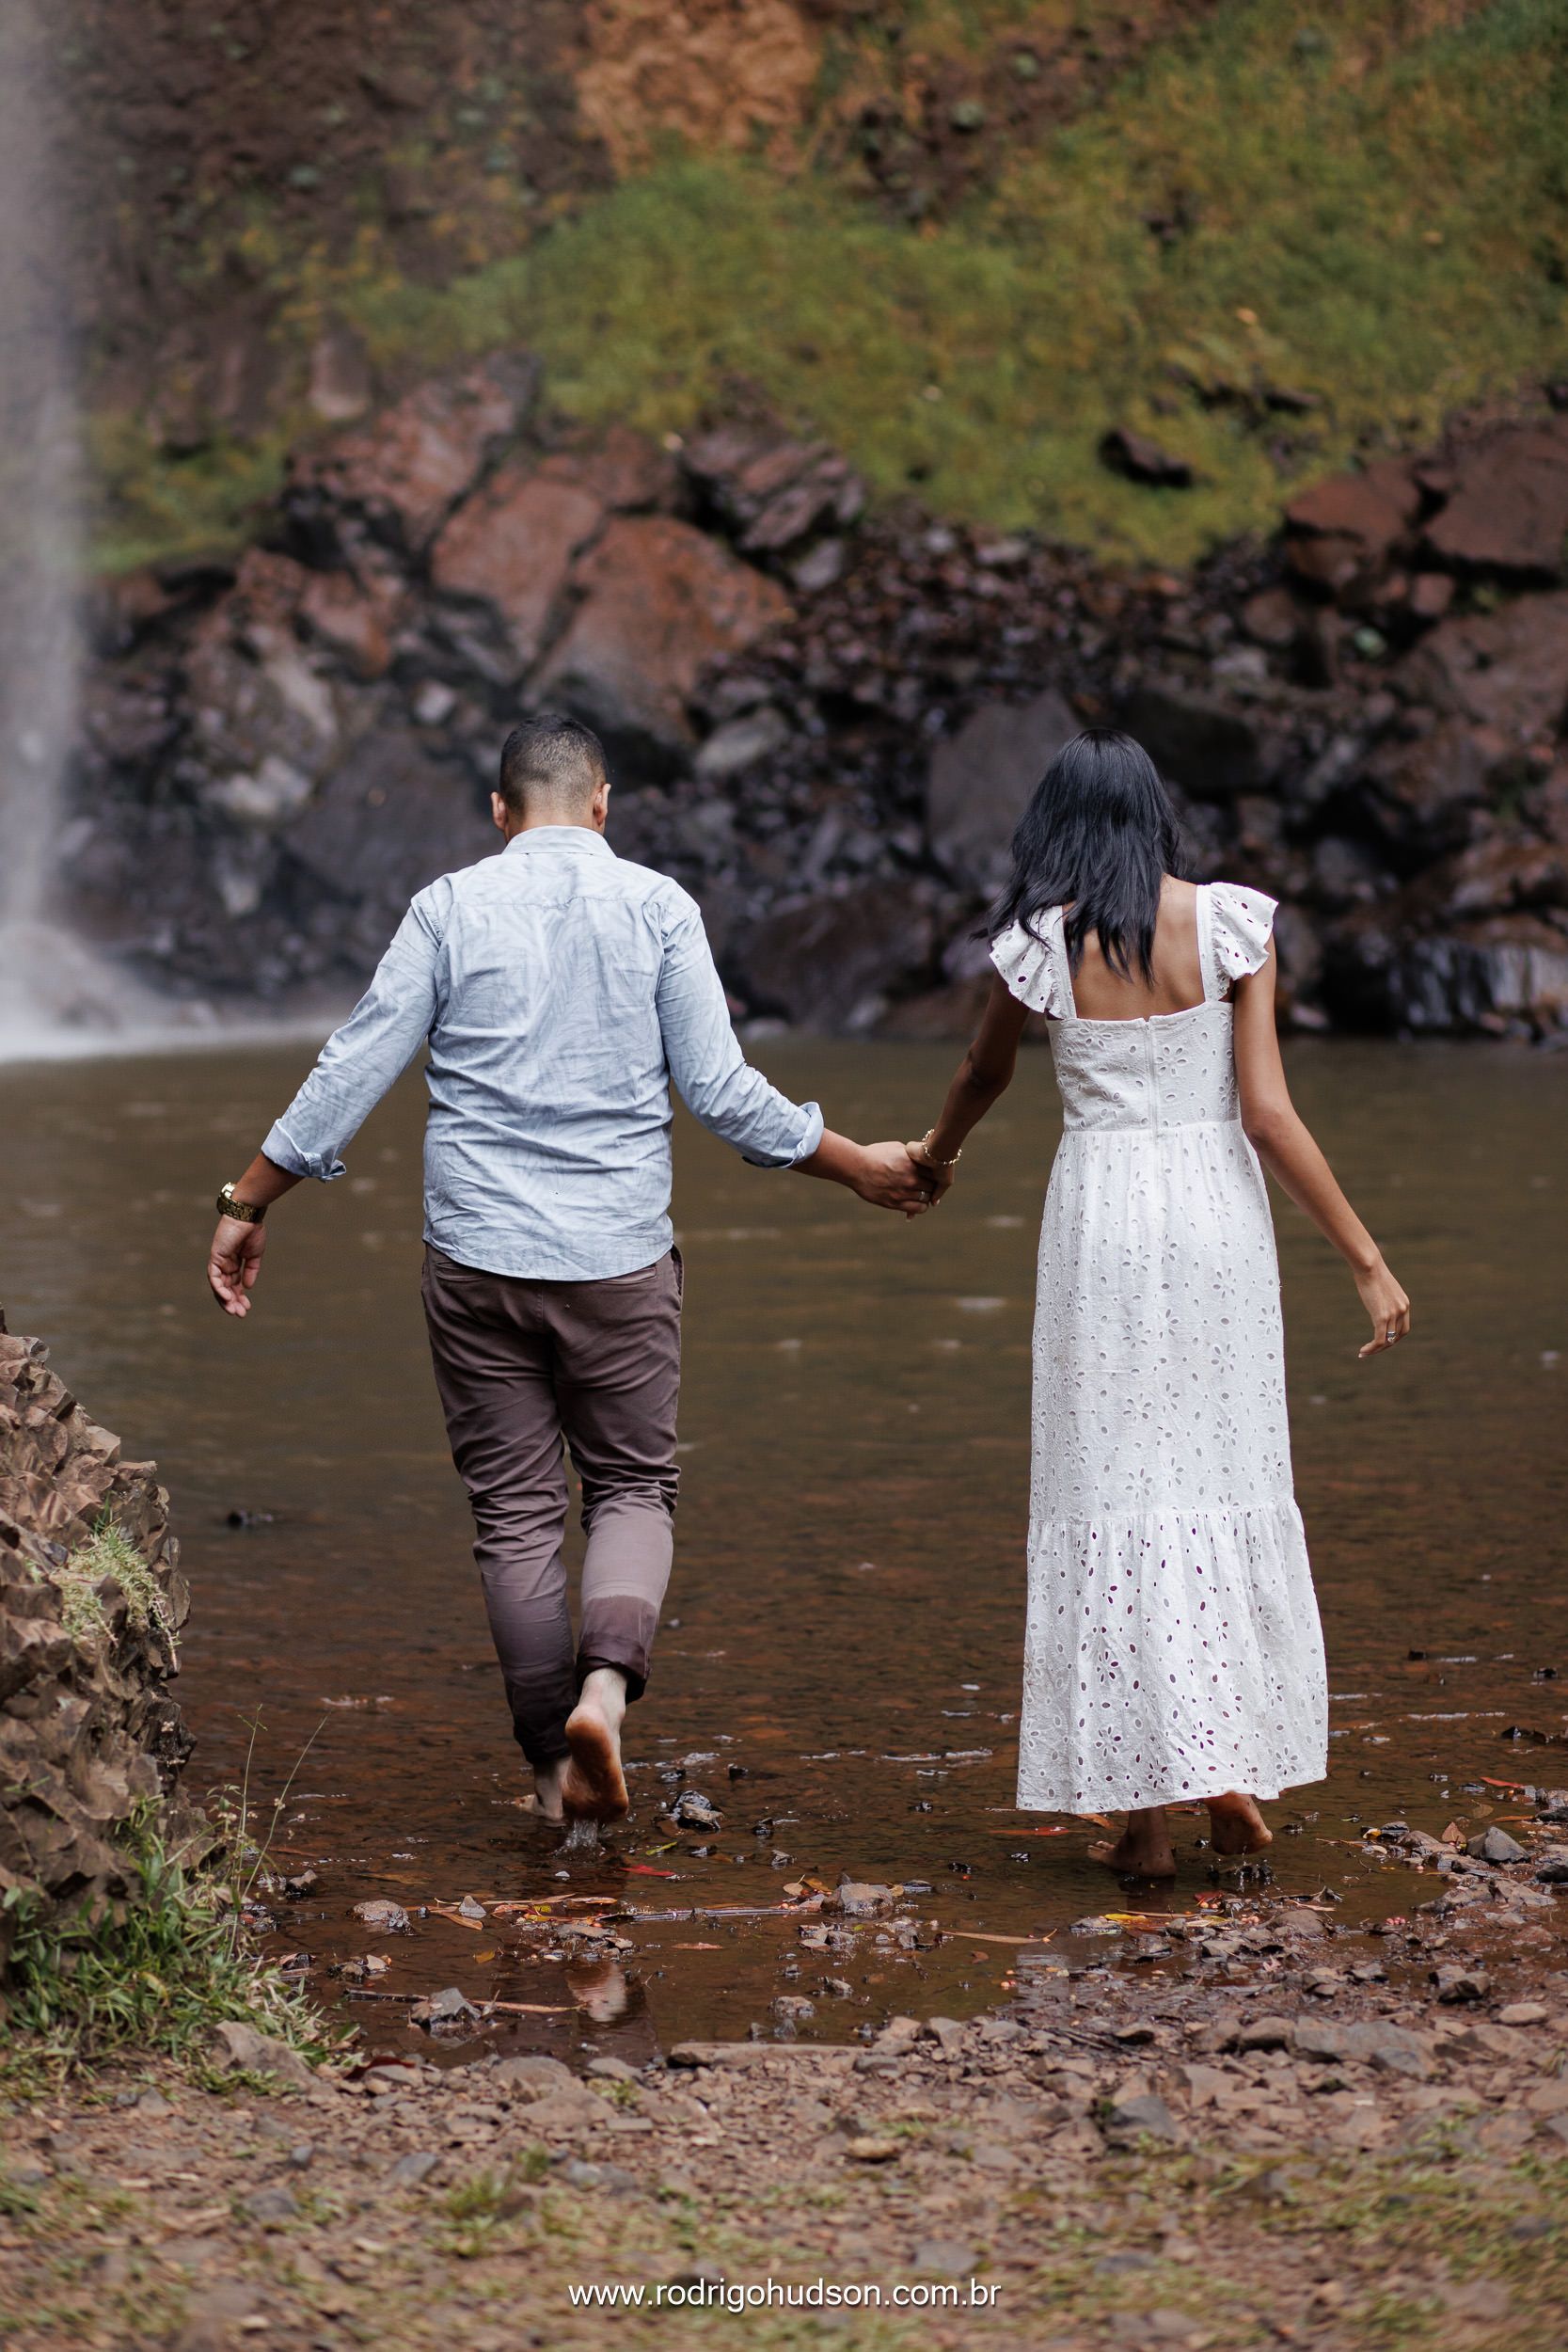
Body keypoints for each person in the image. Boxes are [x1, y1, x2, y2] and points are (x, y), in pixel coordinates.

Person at [206, 713, 933, 1829]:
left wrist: (249, 1199)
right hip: (615, 1259)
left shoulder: (447, 907)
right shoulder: (657, 907)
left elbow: (354, 1063)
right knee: (634, 1489)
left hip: (476, 1259)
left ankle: (551, 1776)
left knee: (512, 1516)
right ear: (602, 803)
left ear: (499, 813)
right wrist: (854, 1167)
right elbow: (722, 1089)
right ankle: (605, 1690)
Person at [907, 729, 1409, 1879]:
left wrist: (935, 1155)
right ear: (1152, 816)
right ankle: (1217, 1770)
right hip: (1214, 1223)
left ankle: (1145, 1818)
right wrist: (1364, 1256)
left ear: (1057, 830)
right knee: (1215, 1479)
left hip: (1098, 1224)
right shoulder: (1232, 923)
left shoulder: (1035, 945)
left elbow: (981, 1075)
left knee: (1112, 1493)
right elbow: (1268, 1114)